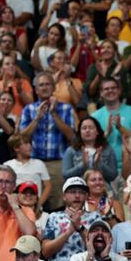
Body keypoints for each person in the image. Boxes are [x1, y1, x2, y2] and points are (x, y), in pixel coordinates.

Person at [18, 71, 76, 211]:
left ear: (54, 87)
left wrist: (54, 113)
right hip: (34, 162)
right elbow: (21, 138)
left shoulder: (66, 108)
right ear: (36, 89)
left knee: (58, 204)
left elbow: (72, 137)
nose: (44, 88)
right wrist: (37, 118)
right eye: (41, 85)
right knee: (34, 203)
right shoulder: (29, 109)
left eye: (48, 84)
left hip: (58, 163)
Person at [4, 134, 51, 205]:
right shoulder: (8, 165)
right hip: (14, 205)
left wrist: (39, 204)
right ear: (16, 148)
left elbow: (48, 186)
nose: (30, 146)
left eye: (30, 143)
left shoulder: (39, 164)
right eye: (26, 144)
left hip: (34, 204)